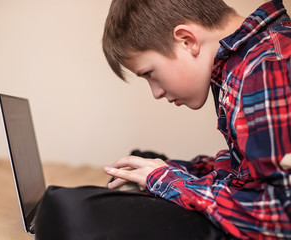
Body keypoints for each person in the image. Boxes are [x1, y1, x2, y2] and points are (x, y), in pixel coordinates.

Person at [34, 1, 290, 239]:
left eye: (149, 74)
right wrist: (174, 170)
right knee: (140, 159)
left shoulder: (266, 68)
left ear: (187, 41)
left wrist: (164, 180)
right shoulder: (245, 62)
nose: (156, 93)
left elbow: (281, 218)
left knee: (66, 208)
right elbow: (246, 170)